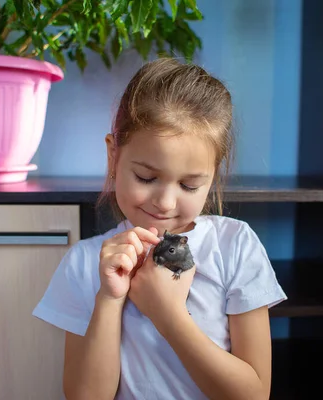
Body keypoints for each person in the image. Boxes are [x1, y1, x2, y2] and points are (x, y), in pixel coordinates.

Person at [32, 57, 287, 400]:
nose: (165, 203)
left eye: (190, 185)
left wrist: (168, 315)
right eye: (146, 177)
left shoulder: (235, 246)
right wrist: (109, 299)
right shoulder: (85, 262)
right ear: (113, 157)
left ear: (213, 174)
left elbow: (253, 395)